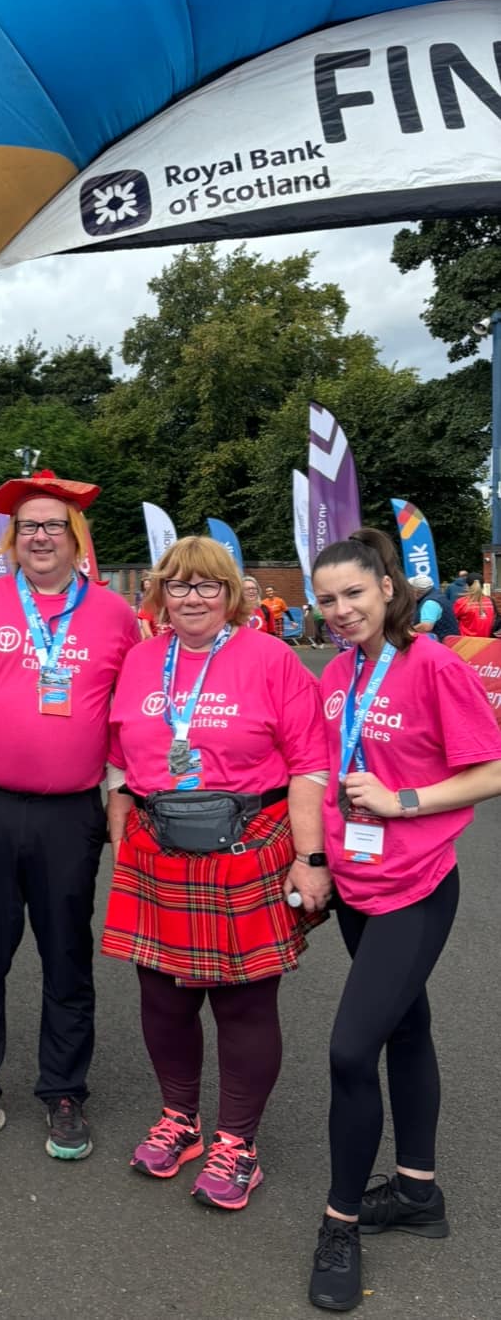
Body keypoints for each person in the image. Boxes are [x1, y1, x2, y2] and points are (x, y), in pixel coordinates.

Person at [101, 536, 329, 1211]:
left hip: (247, 842)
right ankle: (180, 1119)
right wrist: (120, 823)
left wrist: (308, 856)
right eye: (177, 585)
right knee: (161, 994)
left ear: (230, 594)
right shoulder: (141, 659)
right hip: (154, 845)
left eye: (206, 586)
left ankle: (238, 1142)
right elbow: (117, 755)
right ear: (158, 593)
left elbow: (309, 765)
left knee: (242, 1001)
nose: (190, 597)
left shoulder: (272, 658)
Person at [305, 530, 501, 1311]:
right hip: (355, 885)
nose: (340, 610)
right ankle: (417, 1191)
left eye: (353, 592)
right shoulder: (340, 671)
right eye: (326, 599)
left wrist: (403, 802)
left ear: (388, 585)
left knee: (350, 1050)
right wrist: (316, 861)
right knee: (404, 1028)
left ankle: (340, 1220)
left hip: (415, 887)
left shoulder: (434, 664)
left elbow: (490, 768)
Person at [0, 470, 137, 1162]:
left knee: (66, 954)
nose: (41, 536)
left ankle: (63, 1090)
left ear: (76, 539)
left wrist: (117, 795)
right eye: (29, 527)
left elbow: (126, 718)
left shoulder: (112, 614)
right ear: (12, 540)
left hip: (70, 813)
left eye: (54, 525)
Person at [409, 573, 458, 643]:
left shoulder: (430, 602)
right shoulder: (439, 596)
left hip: (443, 644)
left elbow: (426, 627)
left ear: (416, 591)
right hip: (452, 641)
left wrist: (407, 631)